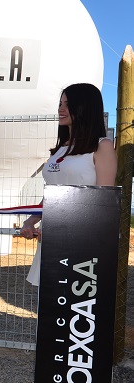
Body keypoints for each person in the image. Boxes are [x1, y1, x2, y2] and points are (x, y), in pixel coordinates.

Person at [20, 83, 117, 285]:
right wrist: (31, 221)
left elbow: (103, 203)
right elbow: (52, 195)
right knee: (50, 306)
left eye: (68, 104)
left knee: (74, 307)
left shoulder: (102, 146)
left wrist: (61, 230)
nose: (61, 109)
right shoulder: (60, 150)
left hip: (83, 245)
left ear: (85, 107)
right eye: (60, 103)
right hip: (52, 241)